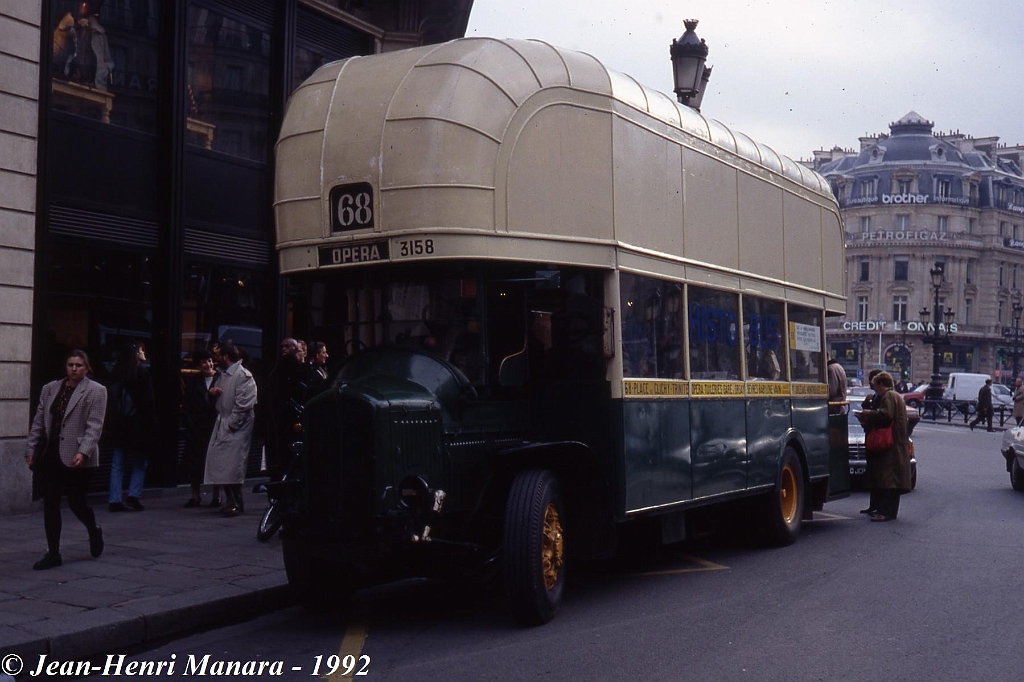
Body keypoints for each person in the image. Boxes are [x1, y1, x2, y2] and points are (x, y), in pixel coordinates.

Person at [24, 350, 107, 570]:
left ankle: (93, 529)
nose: (74, 369)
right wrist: (31, 447)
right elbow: (39, 422)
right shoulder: (51, 389)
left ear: (87, 368)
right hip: (51, 454)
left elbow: (95, 426)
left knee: (76, 502)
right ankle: (53, 553)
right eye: (70, 364)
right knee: (50, 502)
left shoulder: (96, 391)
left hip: (77, 455)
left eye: (79, 365)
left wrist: (84, 451)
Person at [204, 340, 258, 516]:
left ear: (226, 356)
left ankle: (236, 502)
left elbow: (244, 405)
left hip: (234, 426)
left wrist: (232, 424)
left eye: (219, 356)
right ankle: (230, 501)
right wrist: (211, 395)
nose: (216, 359)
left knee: (233, 465)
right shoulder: (224, 375)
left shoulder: (243, 375)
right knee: (222, 464)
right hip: (224, 423)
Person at [106, 342, 157, 512]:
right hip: (138, 424)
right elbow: (148, 404)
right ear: (135, 354)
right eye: (141, 350)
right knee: (140, 461)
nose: (143, 352)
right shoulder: (142, 374)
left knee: (117, 462)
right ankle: (133, 495)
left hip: (119, 424)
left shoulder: (116, 373)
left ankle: (114, 499)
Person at [857, 371, 911, 522]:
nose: (875, 388)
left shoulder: (888, 396)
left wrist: (869, 412)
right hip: (897, 442)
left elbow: (886, 414)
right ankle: (889, 512)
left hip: (890, 443)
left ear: (881, 384)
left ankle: (884, 512)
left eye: (876, 385)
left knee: (887, 479)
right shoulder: (896, 396)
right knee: (892, 481)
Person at [264, 337, 310, 480]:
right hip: (279, 419)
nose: (283, 349)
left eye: (287, 347)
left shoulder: (298, 369)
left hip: (291, 419)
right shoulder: (280, 368)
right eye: (282, 346)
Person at [181, 349, 220, 507]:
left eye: (210, 360)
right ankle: (195, 495)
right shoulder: (193, 381)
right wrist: (188, 423)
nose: (208, 364)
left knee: (216, 461)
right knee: (195, 462)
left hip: (215, 425)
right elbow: (188, 404)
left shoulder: (221, 378)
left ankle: (216, 496)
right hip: (197, 427)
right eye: (204, 361)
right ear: (198, 364)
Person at [859, 368, 884, 516]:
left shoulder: (883, 396)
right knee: (872, 473)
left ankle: (877, 506)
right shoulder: (874, 396)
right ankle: (873, 505)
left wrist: (868, 413)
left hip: (877, 438)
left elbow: (882, 415)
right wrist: (866, 401)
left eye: (872, 379)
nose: (870, 382)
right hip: (871, 435)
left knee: (877, 473)